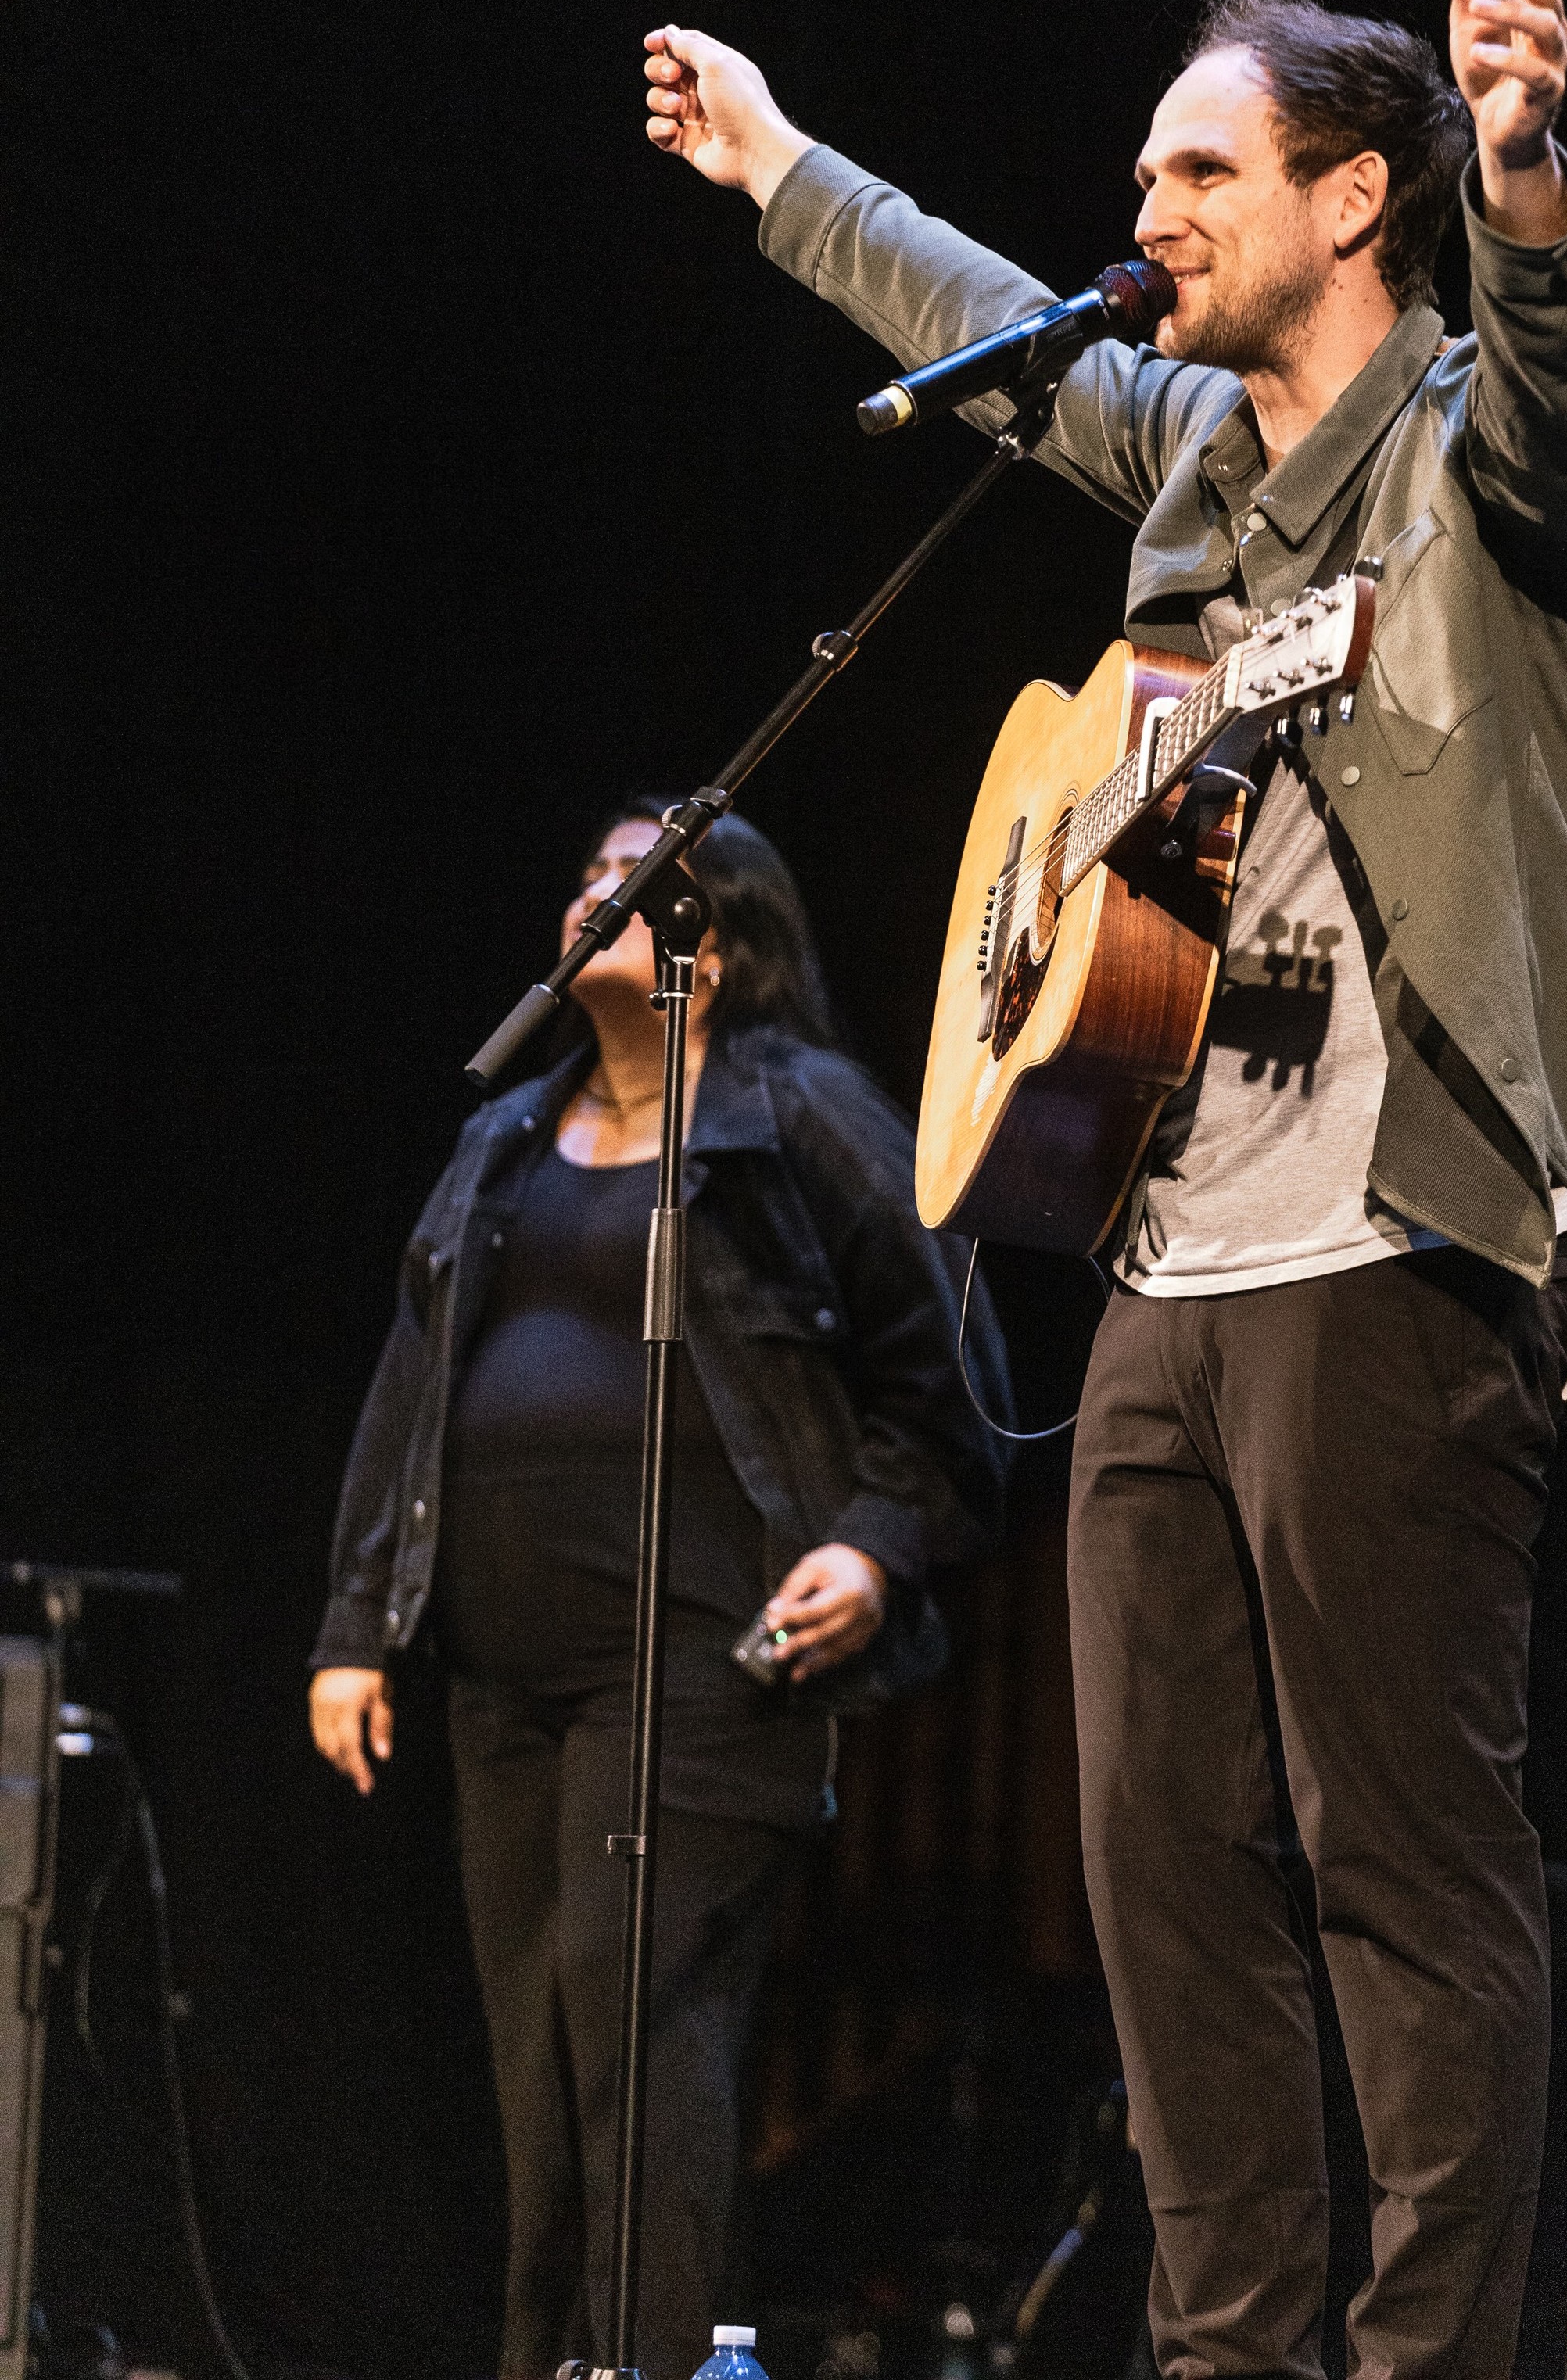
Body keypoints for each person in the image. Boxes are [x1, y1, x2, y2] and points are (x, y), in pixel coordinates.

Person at [640, 0, 1567, 2380]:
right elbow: (993, 324)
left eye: (1197, 171)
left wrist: (1527, 183)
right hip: (1167, 1263)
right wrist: (779, 168)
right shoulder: (1190, 450)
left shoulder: (1485, 452)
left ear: (1353, 199)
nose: (1147, 209)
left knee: (1400, 1870)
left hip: (1391, 1246)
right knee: (1164, 1884)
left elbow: (1566, 392)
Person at [309, 805, 1009, 2378]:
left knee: (636, 2020)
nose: (592, 893)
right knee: (540, 2055)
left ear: (726, 937)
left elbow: (950, 1367)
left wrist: (874, 1541)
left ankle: (661, 2359)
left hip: (703, 1664)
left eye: (634, 878)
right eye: (586, 873)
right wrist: (355, 1626)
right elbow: (411, 1385)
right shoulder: (507, 1138)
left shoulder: (799, 1116)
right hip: (506, 1675)